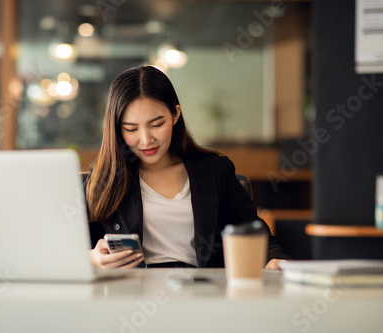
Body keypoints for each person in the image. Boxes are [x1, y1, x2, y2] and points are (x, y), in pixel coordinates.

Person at [85, 65, 290, 269]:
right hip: (133, 293)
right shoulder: (106, 179)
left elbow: (257, 236)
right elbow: (62, 248)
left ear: (175, 115)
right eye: (131, 129)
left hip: (202, 291)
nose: (146, 140)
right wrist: (91, 258)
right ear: (117, 129)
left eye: (156, 124)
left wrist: (274, 260)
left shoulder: (215, 171)